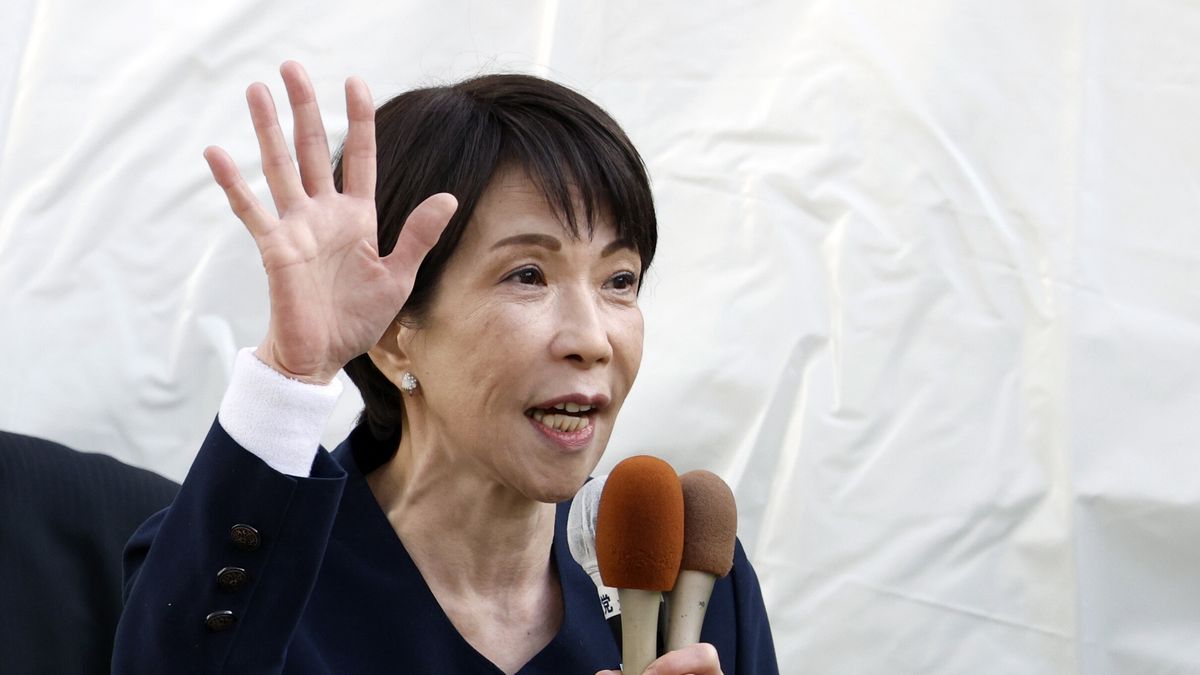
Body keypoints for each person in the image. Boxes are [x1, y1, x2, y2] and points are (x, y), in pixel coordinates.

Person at [112, 61, 777, 674]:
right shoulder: (247, 570)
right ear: (395, 335)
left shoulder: (687, 570)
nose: (593, 338)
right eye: (528, 274)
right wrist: (293, 371)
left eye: (620, 279)